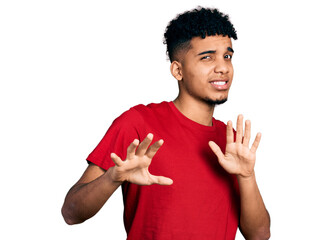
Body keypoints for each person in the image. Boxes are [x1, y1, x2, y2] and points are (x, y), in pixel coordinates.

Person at [61, 7, 271, 240]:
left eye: (227, 56)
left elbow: (259, 235)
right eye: (207, 57)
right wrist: (112, 178)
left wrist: (246, 176)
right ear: (177, 70)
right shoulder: (138, 123)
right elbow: (71, 213)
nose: (223, 67)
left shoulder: (230, 141)